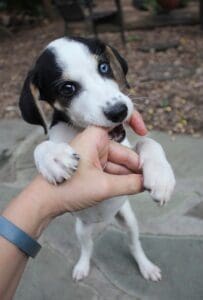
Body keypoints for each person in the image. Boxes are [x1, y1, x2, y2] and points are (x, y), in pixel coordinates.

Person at [0, 111, 147, 299]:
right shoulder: (61, 138)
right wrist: (42, 152)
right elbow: (51, 148)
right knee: (83, 233)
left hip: (118, 205)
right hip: (86, 216)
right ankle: (85, 255)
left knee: (131, 225)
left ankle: (138, 252)